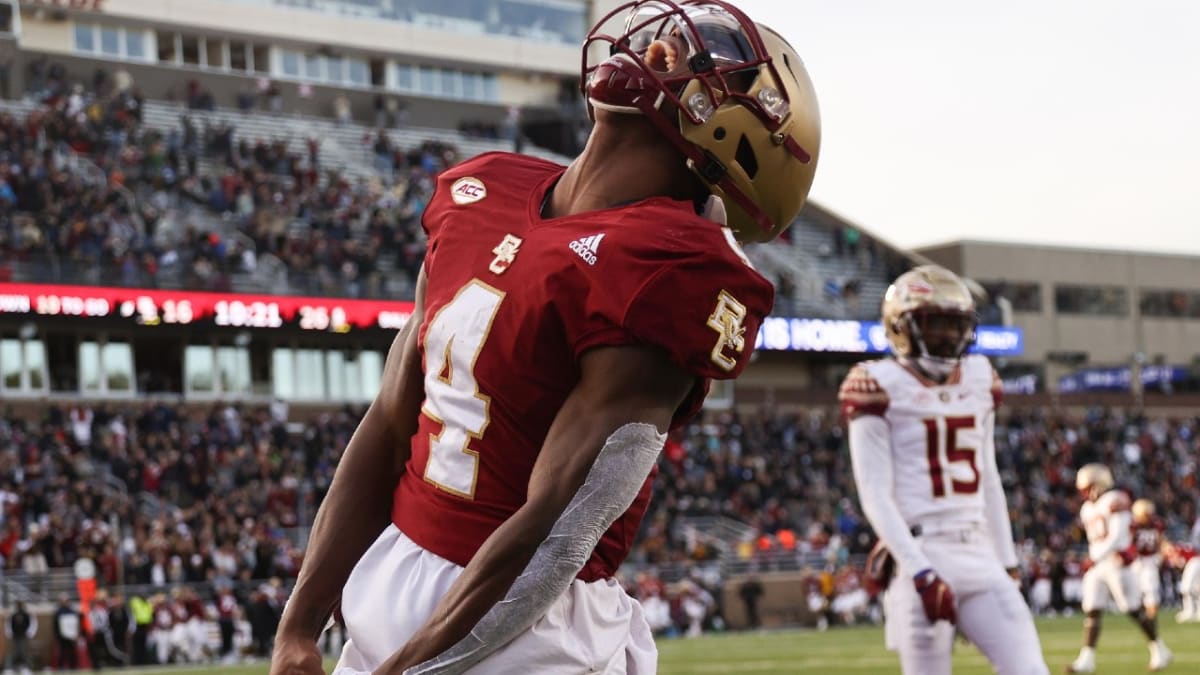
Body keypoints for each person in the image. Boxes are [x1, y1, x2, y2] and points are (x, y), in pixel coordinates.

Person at [270, 1, 819, 674]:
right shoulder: (483, 187)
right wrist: (298, 623)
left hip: (528, 637)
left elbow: (558, 531)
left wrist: (415, 666)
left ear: (739, 147)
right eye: (669, 44)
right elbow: (387, 423)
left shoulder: (666, 266)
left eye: (702, 61)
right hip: (392, 593)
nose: (661, 52)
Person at [840, 265, 1048, 675]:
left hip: (978, 550)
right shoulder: (875, 381)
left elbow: (988, 477)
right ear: (903, 326)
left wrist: (1007, 563)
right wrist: (920, 572)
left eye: (957, 325)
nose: (951, 336)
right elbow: (874, 493)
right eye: (937, 324)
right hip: (922, 551)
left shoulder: (979, 375)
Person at [1067, 464, 1172, 672]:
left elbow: (1117, 536)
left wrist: (1094, 556)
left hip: (1117, 562)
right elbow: (1093, 540)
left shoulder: (1115, 500)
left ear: (1097, 484)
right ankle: (1087, 659)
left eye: (1086, 487)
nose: (1083, 492)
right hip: (1099, 564)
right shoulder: (1087, 508)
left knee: (1132, 609)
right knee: (1092, 608)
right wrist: (1094, 557)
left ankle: (1160, 649)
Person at [1129, 499, 1166, 625]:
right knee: (1136, 591)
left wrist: (1160, 555)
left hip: (1150, 559)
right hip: (1136, 560)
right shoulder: (1133, 525)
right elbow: (1128, 543)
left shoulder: (1157, 524)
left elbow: (1161, 541)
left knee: (1151, 590)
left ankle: (1151, 619)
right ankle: (1143, 619)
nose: (1148, 517)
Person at [1163, 541, 1199, 622]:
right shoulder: (1179, 546)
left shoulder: (1174, 549)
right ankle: (1198, 611)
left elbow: (1178, 563)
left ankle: (1189, 611)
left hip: (1192, 562)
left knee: (1185, 588)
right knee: (1197, 588)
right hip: (1196, 560)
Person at [6, 600, 36, 675]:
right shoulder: (13, 615)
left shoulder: (27, 614)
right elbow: (9, 624)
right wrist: (10, 633)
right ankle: (9, 668)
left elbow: (33, 623)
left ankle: (28, 668)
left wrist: (30, 633)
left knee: (24, 651)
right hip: (15, 636)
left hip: (24, 635)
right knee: (15, 652)